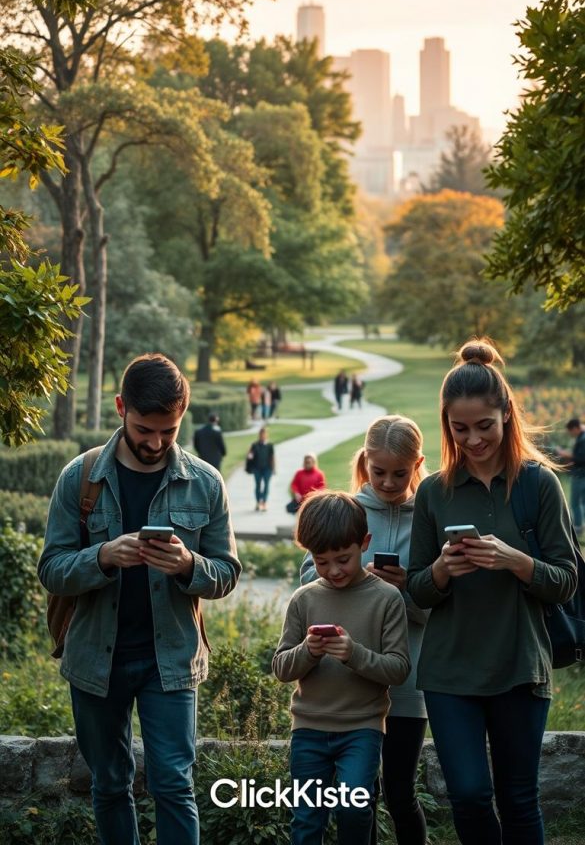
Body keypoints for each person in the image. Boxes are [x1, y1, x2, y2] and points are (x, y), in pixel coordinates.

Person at [38, 353, 241, 845]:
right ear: (120, 407)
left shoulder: (205, 483)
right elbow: (51, 571)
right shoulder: (79, 477)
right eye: (144, 429)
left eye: (168, 432)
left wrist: (188, 566)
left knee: (174, 783)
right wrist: (103, 556)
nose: (155, 443)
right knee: (109, 784)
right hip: (95, 660)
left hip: (169, 658)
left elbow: (227, 573)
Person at [407, 338, 577, 845]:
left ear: (507, 415)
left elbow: (566, 580)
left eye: (485, 426)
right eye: (460, 429)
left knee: (518, 798)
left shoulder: (538, 485)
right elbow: (416, 589)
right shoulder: (434, 491)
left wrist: (515, 561)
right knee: (467, 794)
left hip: (519, 667)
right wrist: (440, 569)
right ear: (446, 424)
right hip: (449, 671)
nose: (474, 440)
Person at [301, 416, 429, 845]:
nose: (389, 482)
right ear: (365, 462)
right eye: (379, 472)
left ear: (418, 465)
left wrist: (404, 592)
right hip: (348, 688)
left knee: (398, 790)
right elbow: (310, 579)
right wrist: (357, 584)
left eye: (400, 472)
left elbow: (441, 606)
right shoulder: (348, 511)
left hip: (406, 682)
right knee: (360, 797)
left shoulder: (428, 517)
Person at [273, 491, 411, 845]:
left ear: (364, 543)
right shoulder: (305, 599)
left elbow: (398, 669)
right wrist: (308, 651)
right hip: (309, 728)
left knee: (353, 807)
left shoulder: (386, 598)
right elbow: (282, 667)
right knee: (306, 818)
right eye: (321, 562)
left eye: (343, 559)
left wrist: (354, 654)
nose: (333, 570)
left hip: (361, 728)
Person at [557, 417, 585, 533]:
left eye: (570, 431)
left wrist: (565, 454)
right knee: (582, 502)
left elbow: (581, 458)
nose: (570, 434)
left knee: (575, 503)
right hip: (582, 474)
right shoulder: (581, 437)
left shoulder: (583, 439)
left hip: (580, 475)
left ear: (575, 428)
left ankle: (578, 528)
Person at [246, 425, 275, 511]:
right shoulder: (254, 445)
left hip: (267, 469)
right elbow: (250, 456)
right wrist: (249, 455)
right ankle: (258, 502)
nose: (262, 436)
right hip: (257, 469)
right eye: (261, 434)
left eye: (264, 434)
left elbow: (272, 457)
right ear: (259, 435)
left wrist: (273, 468)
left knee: (266, 485)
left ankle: (264, 502)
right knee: (258, 485)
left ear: (266, 435)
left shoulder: (270, 445)